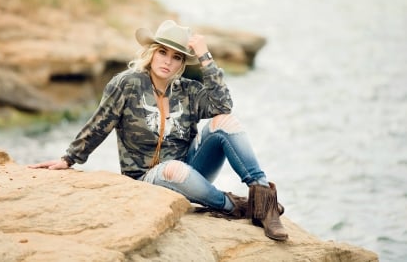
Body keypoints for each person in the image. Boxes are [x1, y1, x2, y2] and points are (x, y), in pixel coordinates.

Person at [29, 20, 288, 241]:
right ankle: (236, 205)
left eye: (176, 57)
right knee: (171, 169)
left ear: (181, 64)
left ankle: (264, 201)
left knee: (225, 123)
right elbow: (100, 123)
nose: (168, 61)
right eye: (163, 52)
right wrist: (69, 158)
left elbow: (223, 105)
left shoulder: (187, 90)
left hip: (190, 170)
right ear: (152, 52)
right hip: (146, 178)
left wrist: (205, 56)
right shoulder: (126, 84)